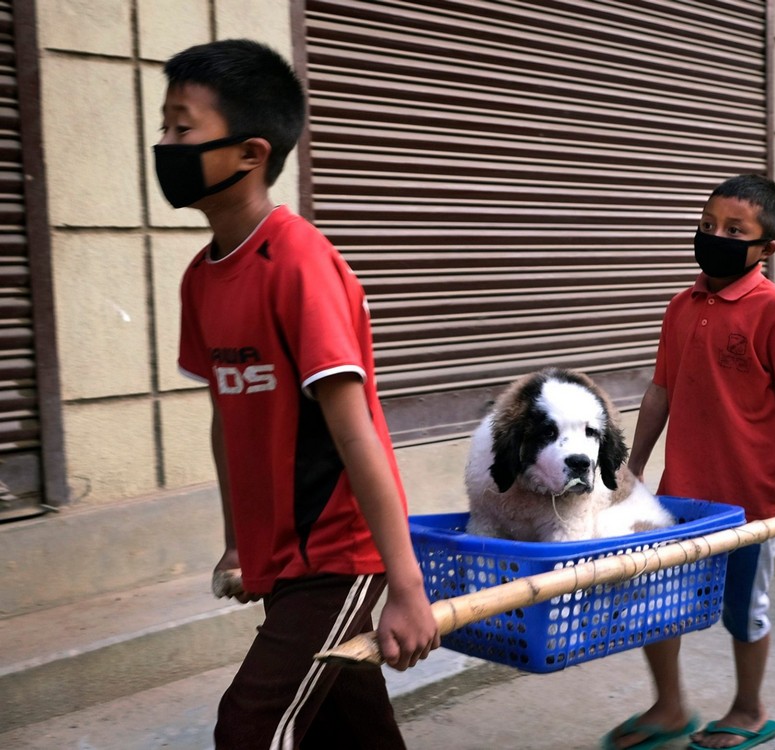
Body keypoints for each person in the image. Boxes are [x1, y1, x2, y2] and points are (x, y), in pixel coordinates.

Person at [158, 39, 439, 748]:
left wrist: (405, 587)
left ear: (250, 153)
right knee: (350, 723)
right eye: (165, 127)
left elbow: (356, 433)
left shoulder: (300, 266)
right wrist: (236, 543)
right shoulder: (202, 277)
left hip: (338, 551)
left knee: (252, 726)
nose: (166, 144)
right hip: (283, 555)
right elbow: (228, 419)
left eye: (183, 128)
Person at [602, 174, 775, 750]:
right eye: (707, 226)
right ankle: (669, 707)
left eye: (733, 231)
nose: (713, 236)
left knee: (744, 611)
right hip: (680, 495)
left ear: (766, 248)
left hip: (749, 500)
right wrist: (634, 469)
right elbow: (660, 394)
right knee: (657, 604)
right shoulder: (681, 306)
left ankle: (748, 709)